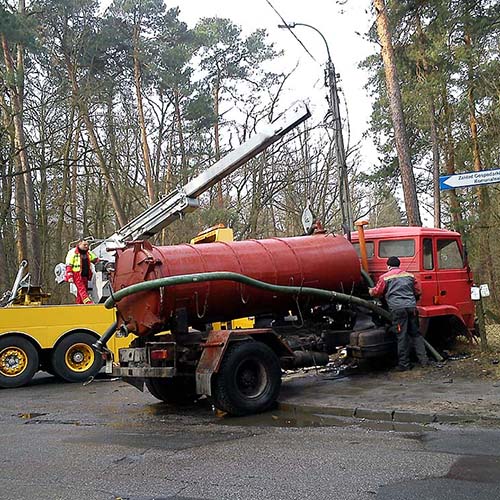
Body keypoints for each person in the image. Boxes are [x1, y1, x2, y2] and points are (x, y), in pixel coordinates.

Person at [369, 256, 428, 371]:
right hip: (412, 308)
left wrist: (370, 291)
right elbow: (418, 291)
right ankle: (424, 361)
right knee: (416, 335)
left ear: (388, 266)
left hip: (398, 310)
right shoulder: (410, 276)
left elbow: (377, 292)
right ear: (399, 265)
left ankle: (404, 364)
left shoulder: (385, 277)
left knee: (402, 336)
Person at [65, 239, 99, 305]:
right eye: (84, 245)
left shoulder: (88, 252)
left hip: (85, 275)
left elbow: (95, 259)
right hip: (77, 274)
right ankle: (88, 302)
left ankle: (80, 304)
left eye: (87, 245)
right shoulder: (73, 252)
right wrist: (70, 276)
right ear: (79, 244)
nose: (86, 246)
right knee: (82, 289)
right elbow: (69, 265)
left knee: (82, 291)